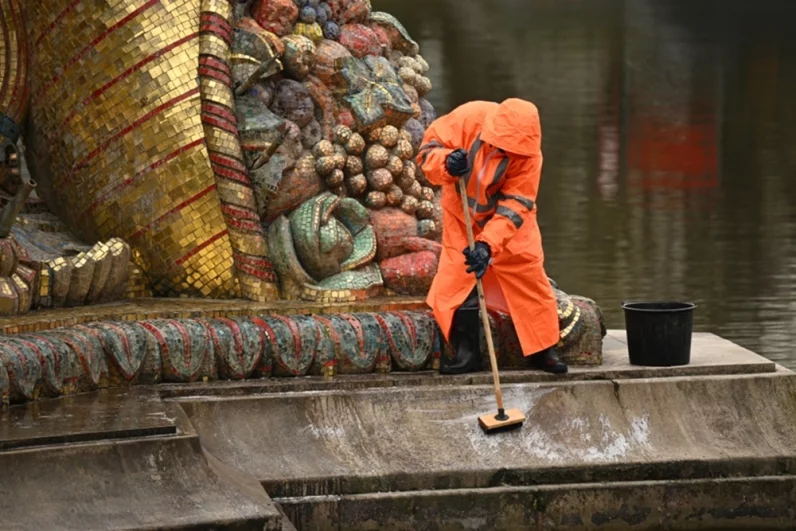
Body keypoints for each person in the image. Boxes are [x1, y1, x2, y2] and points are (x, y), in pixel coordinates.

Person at [417, 98, 567, 375]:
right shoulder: (468, 117)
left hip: (509, 221)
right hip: (462, 214)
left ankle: (543, 349)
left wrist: (487, 246)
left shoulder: (531, 156)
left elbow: (517, 202)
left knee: (528, 272)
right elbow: (427, 152)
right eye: (502, 146)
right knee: (458, 275)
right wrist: (447, 163)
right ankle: (466, 351)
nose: (506, 153)